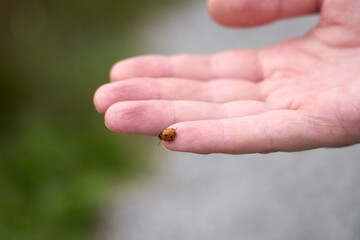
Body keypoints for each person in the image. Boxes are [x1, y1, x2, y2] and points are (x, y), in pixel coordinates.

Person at [93, 0, 360, 154]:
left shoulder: (168, 133)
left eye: (165, 134)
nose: (166, 134)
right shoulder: (168, 133)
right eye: (166, 135)